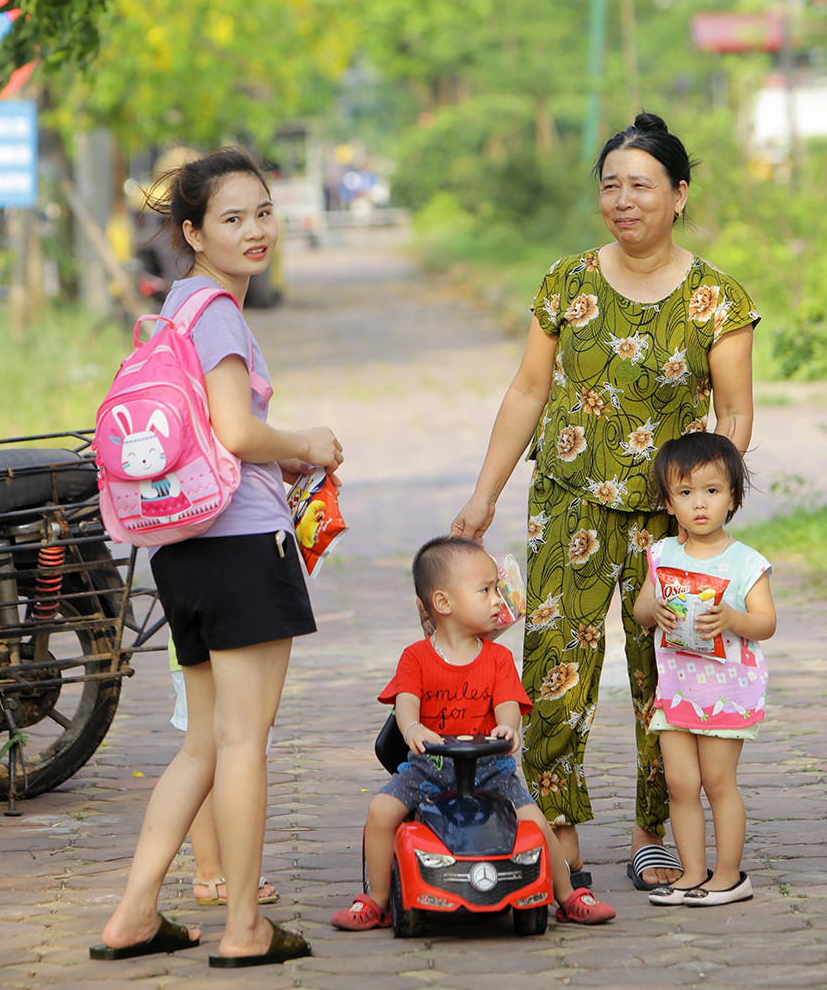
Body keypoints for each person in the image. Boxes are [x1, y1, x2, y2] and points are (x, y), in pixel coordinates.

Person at [451, 113, 759, 891]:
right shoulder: (566, 281)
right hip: (569, 500)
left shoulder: (717, 298)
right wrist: (483, 497)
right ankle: (558, 831)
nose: (624, 201)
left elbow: (734, 415)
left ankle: (655, 828)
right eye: (611, 186)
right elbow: (528, 390)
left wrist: (707, 507)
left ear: (680, 195)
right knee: (556, 664)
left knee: (667, 668)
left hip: (668, 518)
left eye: (642, 186)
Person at [92, 148, 343, 970]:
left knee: (202, 743)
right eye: (232, 219)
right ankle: (243, 927)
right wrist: (305, 443)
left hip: (183, 551)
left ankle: (133, 914)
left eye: (264, 212)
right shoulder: (223, 316)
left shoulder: (177, 309)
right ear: (193, 231)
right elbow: (237, 433)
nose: (255, 230)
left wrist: (277, 456)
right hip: (241, 545)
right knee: (241, 743)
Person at [330, 537, 615, 930]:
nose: (499, 599)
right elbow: (406, 702)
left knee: (535, 821)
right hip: (428, 768)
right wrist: (413, 727)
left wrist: (507, 728)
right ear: (444, 603)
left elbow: (508, 705)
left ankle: (568, 895)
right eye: (486, 590)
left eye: (497, 588)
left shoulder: (498, 658)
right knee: (380, 811)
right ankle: (376, 899)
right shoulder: (416, 657)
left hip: (490, 771)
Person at [633, 432, 775, 907]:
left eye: (712, 491)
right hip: (675, 688)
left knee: (717, 782)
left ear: (732, 496)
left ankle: (730, 876)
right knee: (680, 783)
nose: (700, 504)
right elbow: (639, 609)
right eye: (686, 493)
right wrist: (656, 611)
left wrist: (735, 619)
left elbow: (766, 623)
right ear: (669, 503)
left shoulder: (745, 563)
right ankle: (693, 870)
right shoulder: (663, 555)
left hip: (724, 691)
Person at [167, 641, 278, 907]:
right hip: (233, 636)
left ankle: (214, 874)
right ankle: (217, 876)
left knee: (205, 755)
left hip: (197, 633)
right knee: (231, 751)